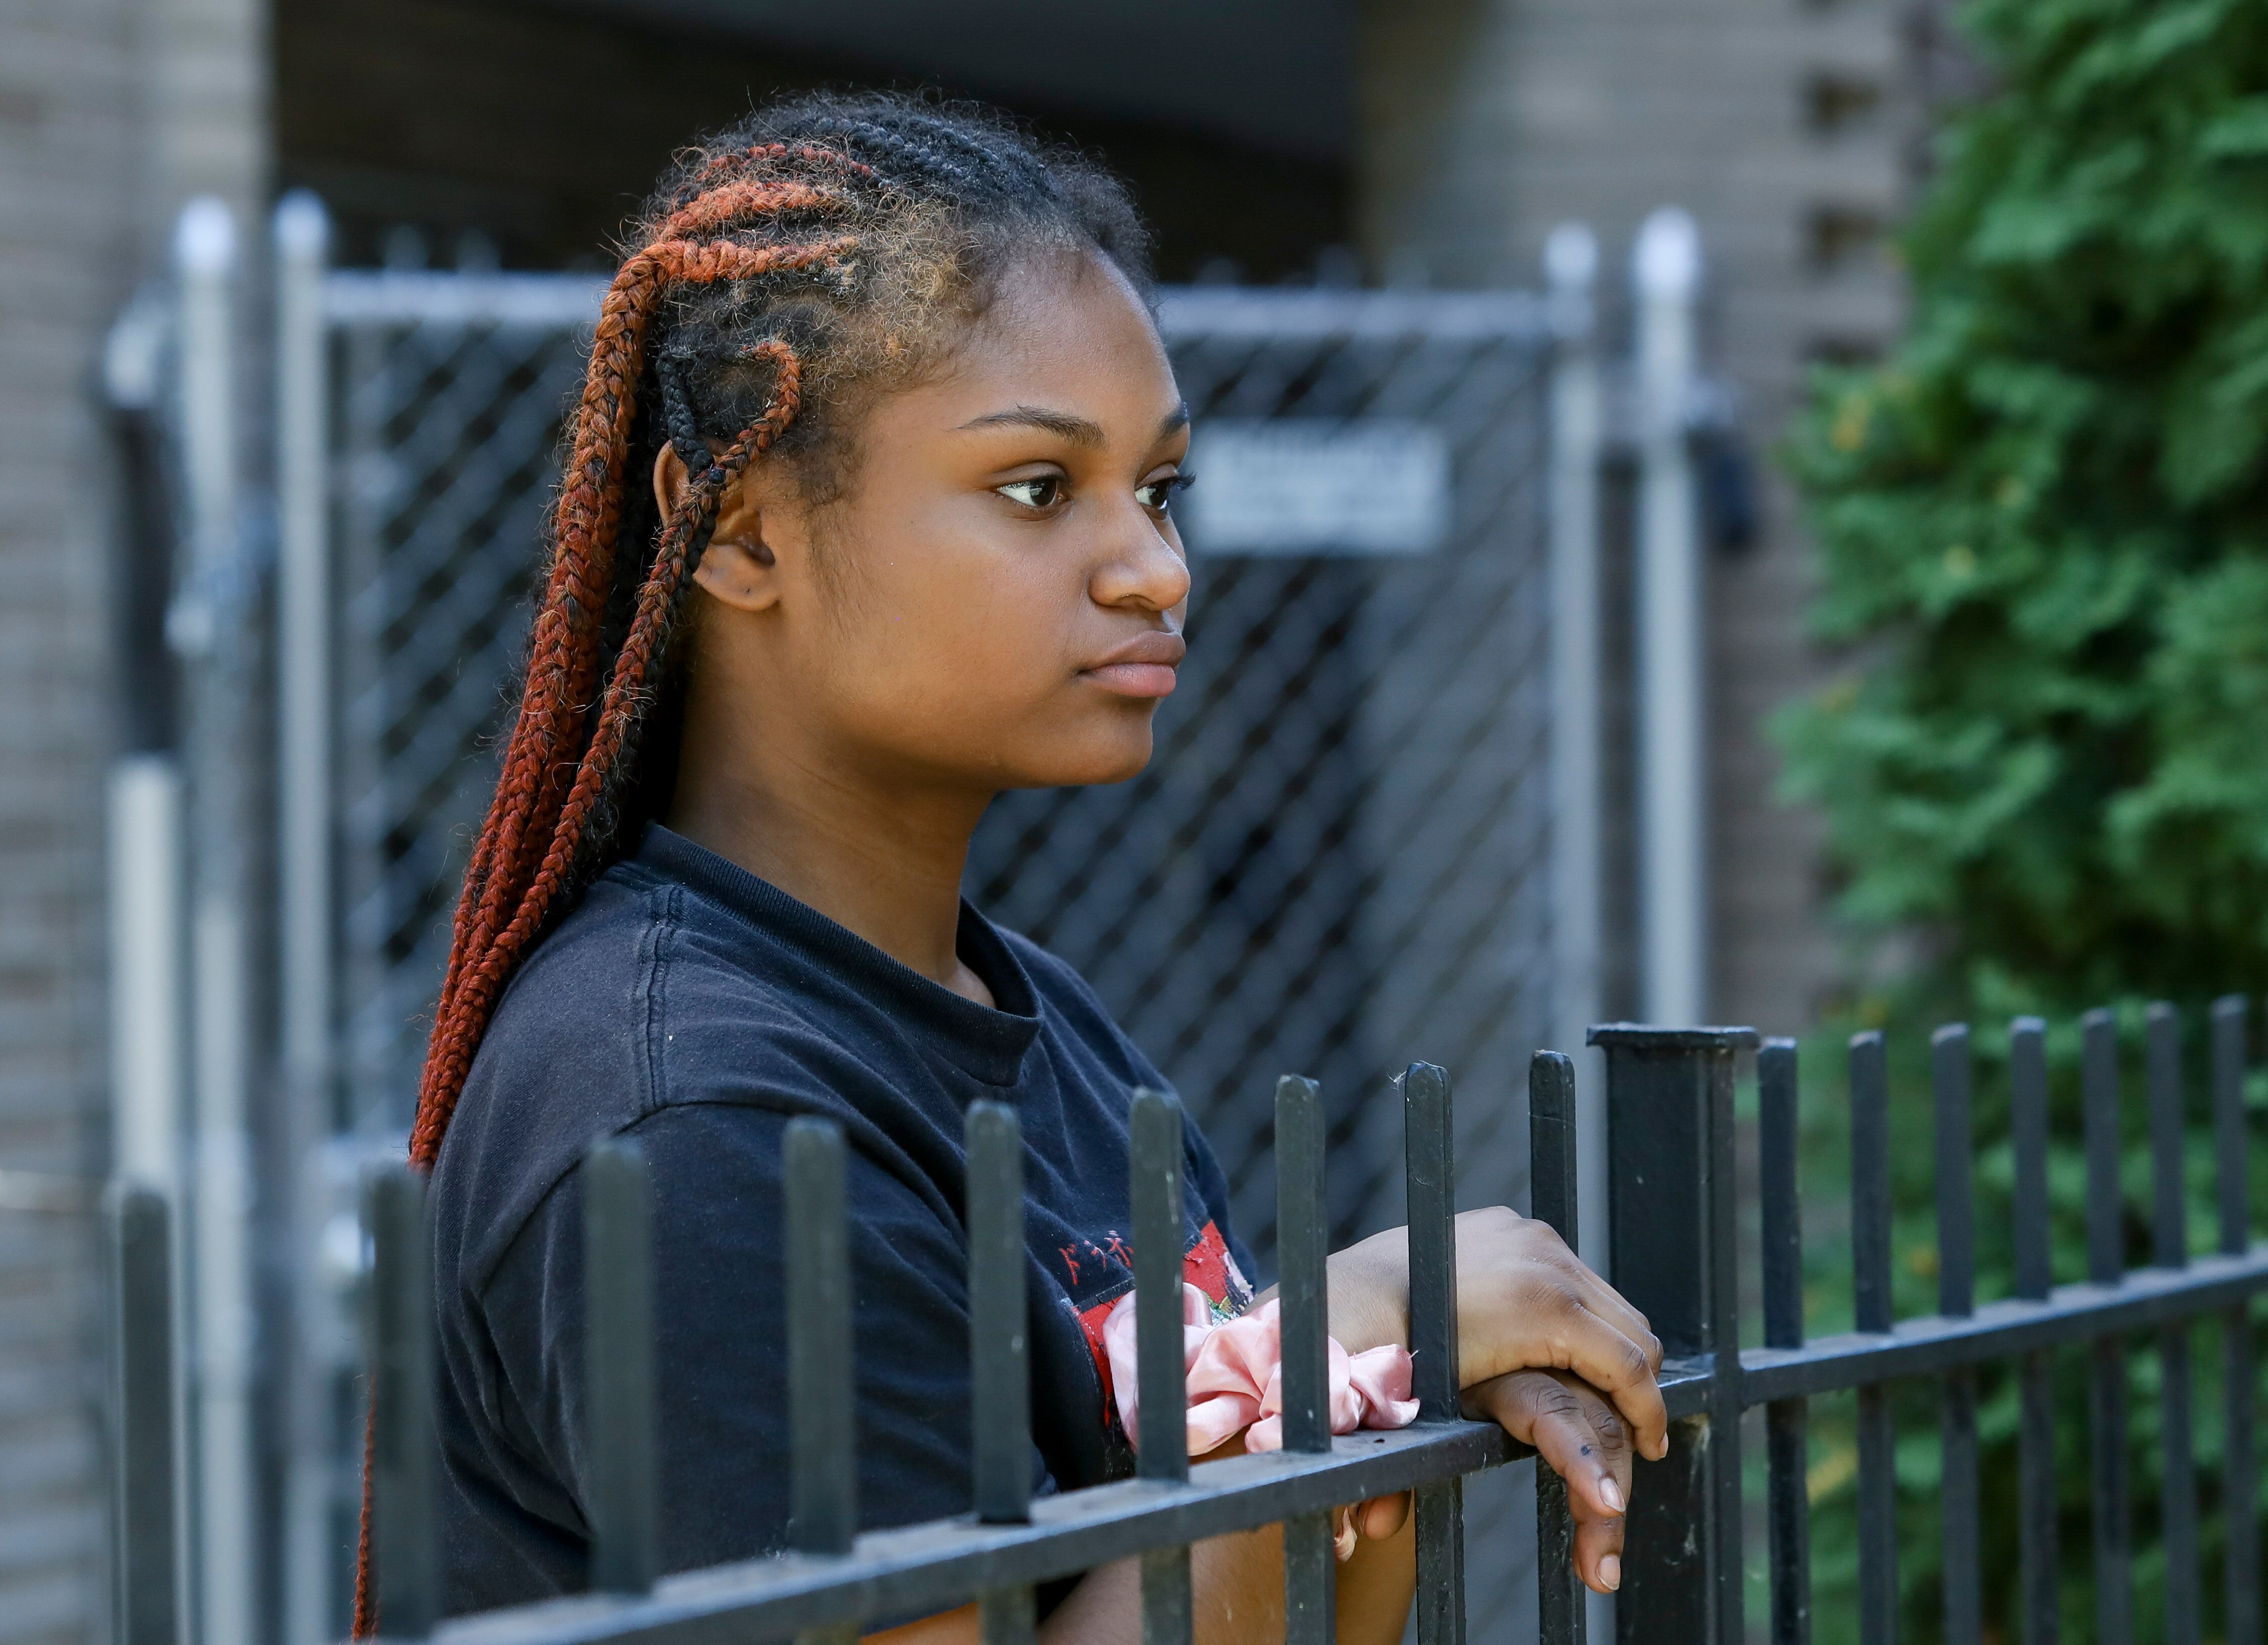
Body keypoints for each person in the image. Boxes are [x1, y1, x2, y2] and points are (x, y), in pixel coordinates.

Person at [402, 90, 1667, 1645]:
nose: (1153, 565)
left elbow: (1315, 1594)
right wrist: (1358, 1330)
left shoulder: (1014, 1006)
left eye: (1158, 488)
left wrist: (1353, 1397)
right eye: (1035, 489)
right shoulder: (693, 1117)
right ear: (733, 528)